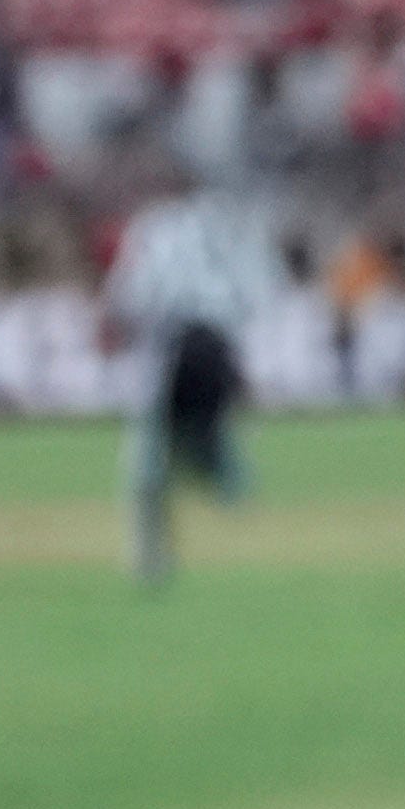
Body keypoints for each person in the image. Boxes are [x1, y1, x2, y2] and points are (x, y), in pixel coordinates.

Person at [102, 168, 272, 577]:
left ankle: (152, 558)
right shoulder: (227, 222)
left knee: (149, 457)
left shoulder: (154, 226)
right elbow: (258, 289)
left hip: (174, 347)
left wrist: (114, 323)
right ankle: (236, 497)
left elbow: (133, 292)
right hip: (219, 345)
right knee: (206, 439)